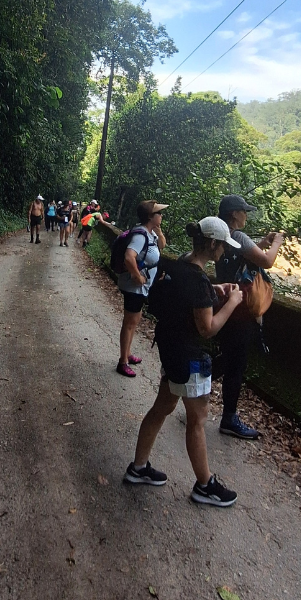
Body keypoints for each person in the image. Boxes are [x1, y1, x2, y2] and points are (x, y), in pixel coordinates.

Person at [124, 217, 244, 506]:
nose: (225, 252)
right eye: (222, 246)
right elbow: (207, 328)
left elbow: (186, 298)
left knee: (163, 406)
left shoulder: (179, 264)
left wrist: (213, 291)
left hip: (170, 350)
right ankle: (205, 485)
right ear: (212, 243)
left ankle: (138, 468)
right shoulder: (199, 280)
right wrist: (232, 302)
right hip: (189, 359)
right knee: (197, 420)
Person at [214, 194, 285, 440]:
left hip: (224, 305)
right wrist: (276, 243)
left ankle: (188, 389)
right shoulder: (239, 237)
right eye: (244, 211)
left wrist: (261, 242)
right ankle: (229, 419)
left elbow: (243, 254)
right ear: (234, 214)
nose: (246, 215)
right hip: (241, 311)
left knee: (226, 358)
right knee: (236, 365)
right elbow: (266, 262)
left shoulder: (222, 236)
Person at [115, 200, 168, 378]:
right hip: (134, 287)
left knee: (134, 320)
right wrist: (138, 278)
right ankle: (123, 362)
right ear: (150, 216)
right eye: (159, 213)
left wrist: (158, 230)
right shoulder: (140, 236)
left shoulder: (149, 233)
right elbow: (129, 257)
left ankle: (127, 353)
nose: (161, 216)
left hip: (141, 287)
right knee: (129, 323)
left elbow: (162, 246)